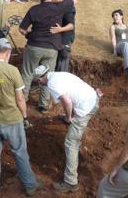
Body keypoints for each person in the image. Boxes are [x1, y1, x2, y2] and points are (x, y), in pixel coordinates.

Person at [0, 38, 42, 197]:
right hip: (12, 121)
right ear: (7, 52)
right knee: (19, 152)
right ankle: (30, 186)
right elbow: (20, 99)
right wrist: (25, 117)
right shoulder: (12, 71)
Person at [34, 65, 99, 193]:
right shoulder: (59, 74)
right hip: (93, 98)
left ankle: (71, 182)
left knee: (71, 143)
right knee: (70, 110)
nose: (39, 84)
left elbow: (67, 102)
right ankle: (70, 117)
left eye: (38, 81)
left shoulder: (52, 84)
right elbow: (69, 97)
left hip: (86, 108)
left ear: (41, 79)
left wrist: (69, 118)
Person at [19, 0, 71, 113]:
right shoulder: (58, 8)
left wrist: (29, 34)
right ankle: (43, 105)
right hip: (52, 48)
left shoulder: (34, 10)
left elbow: (21, 29)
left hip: (34, 46)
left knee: (27, 73)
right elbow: (71, 0)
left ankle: (22, 100)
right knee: (48, 76)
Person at [50, 0, 76, 72]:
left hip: (65, 39)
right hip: (57, 39)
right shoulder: (57, 4)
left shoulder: (68, 6)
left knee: (62, 67)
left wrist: (60, 29)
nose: (49, 0)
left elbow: (71, 25)